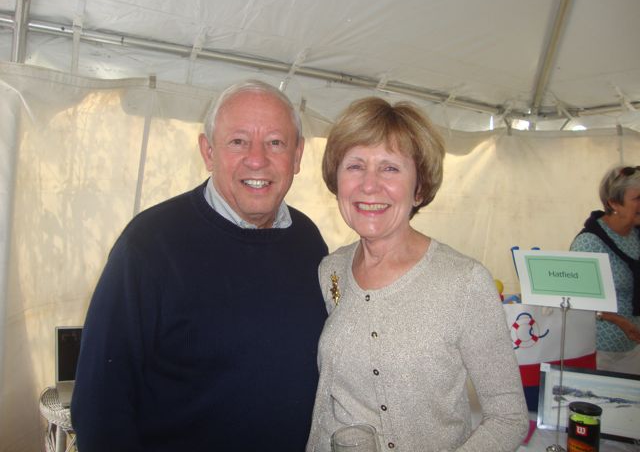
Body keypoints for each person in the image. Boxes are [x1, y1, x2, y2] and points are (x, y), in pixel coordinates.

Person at [71, 80, 329, 452]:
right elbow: (100, 402)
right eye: (238, 141)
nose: (257, 159)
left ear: (298, 155)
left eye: (276, 142)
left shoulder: (308, 240)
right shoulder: (149, 244)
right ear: (208, 152)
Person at [306, 97, 529, 452]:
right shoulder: (331, 271)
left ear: (419, 188)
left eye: (390, 168)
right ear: (336, 180)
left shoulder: (464, 282)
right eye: (355, 166)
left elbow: (509, 418)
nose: (369, 185)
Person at [570, 165, 640, 373]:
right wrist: (617, 320)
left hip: (633, 348)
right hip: (599, 352)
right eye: (638, 198)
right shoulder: (589, 243)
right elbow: (575, 301)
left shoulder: (636, 235)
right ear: (613, 203)